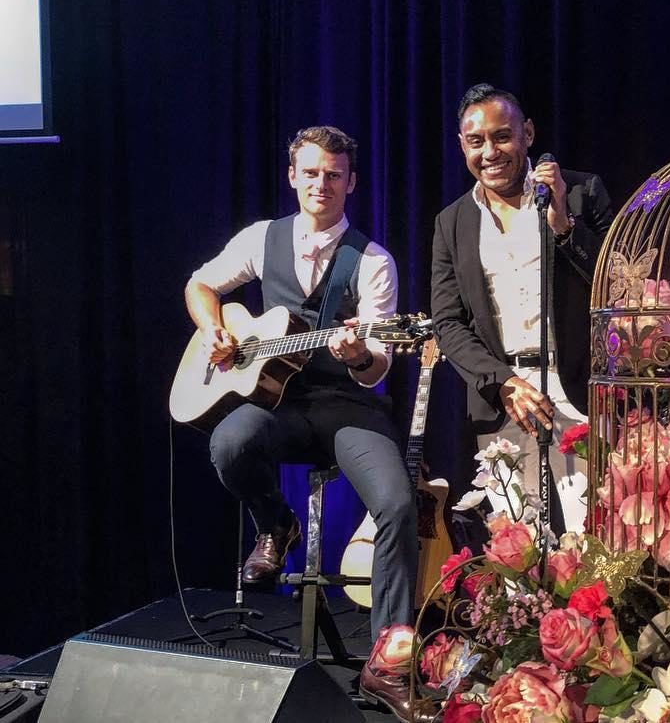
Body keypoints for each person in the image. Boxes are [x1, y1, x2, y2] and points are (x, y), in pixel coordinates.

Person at [184, 126, 417, 645]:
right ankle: (275, 524)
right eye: (311, 173)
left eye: (334, 175)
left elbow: (378, 367)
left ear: (352, 183)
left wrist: (359, 356)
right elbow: (200, 284)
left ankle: (390, 653)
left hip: (348, 407)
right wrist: (212, 329)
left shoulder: (373, 260)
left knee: (399, 506)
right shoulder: (261, 237)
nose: (321, 184)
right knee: (228, 441)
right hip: (279, 405)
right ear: (293, 176)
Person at [430, 83, 614, 534]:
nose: (490, 152)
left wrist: (566, 230)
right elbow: (448, 323)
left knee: (590, 539)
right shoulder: (451, 221)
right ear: (462, 146)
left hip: (578, 389)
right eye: (476, 142)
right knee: (519, 545)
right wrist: (503, 383)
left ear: (527, 133)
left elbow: (618, 288)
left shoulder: (580, 192)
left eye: (502, 136)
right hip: (504, 398)